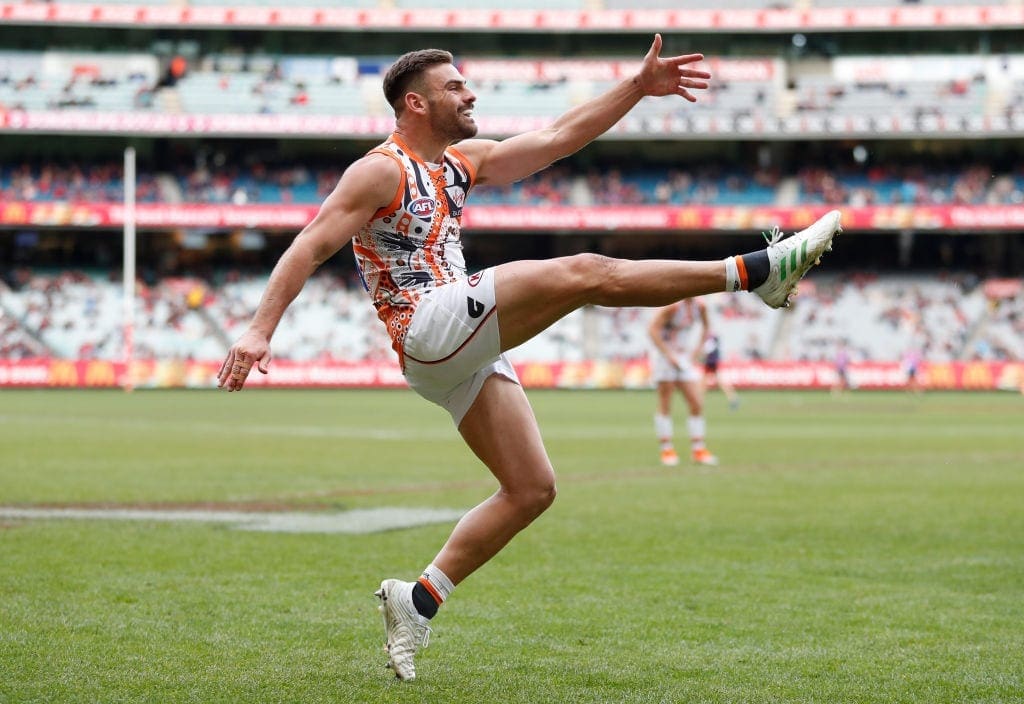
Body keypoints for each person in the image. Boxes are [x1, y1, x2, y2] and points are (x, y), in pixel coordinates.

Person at [217, 36, 842, 681]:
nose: (470, 93)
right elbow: (309, 244)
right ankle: (752, 272)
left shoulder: (462, 162)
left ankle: (418, 602)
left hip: (451, 348)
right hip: (426, 326)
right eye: (454, 87)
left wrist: (636, 87)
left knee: (531, 489)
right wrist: (259, 330)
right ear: (415, 103)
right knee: (586, 271)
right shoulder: (380, 170)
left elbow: (561, 136)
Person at [647, 297, 718, 467]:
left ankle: (698, 449)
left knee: (696, 402)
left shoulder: (700, 306)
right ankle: (667, 449)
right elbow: (652, 330)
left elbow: (707, 327)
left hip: (684, 357)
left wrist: (699, 348)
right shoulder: (672, 306)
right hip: (665, 358)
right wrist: (668, 354)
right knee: (665, 402)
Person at [702, 332, 740, 410]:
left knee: (705, 382)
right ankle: (733, 398)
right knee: (709, 382)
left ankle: (733, 398)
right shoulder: (713, 338)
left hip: (710, 362)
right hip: (713, 362)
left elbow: (707, 350)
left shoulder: (710, 338)